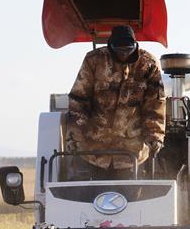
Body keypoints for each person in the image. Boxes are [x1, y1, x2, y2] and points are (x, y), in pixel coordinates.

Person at [65, 25, 166, 180]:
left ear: (135, 45)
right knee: (94, 198)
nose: (124, 54)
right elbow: (79, 100)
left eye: (128, 50)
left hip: (131, 152)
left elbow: (154, 104)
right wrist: (74, 136)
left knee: (130, 200)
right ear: (110, 44)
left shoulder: (148, 64)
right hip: (95, 149)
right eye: (119, 50)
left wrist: (155, 136)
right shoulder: (94, 60)